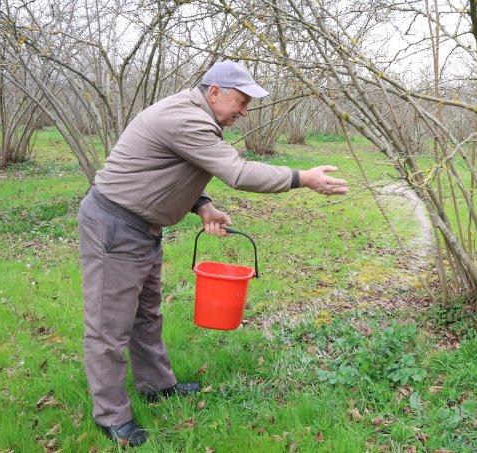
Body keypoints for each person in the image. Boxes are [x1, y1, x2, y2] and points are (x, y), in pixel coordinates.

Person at [77, 60, 348, 446]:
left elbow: (169, 168)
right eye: (242, 102)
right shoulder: (187, 118)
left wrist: (202, 205)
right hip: (116, 226)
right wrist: (302, 178)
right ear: (215, 91)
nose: (244, 112)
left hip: (140, 227)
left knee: (146, 314)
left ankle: (156, 386)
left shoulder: (196, 114)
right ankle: (110, 416)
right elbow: (237, 173)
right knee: (109, 327)